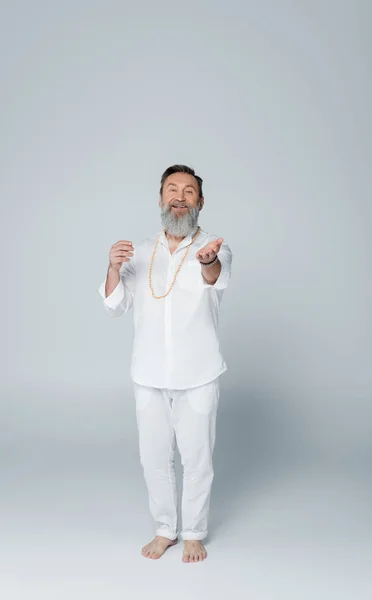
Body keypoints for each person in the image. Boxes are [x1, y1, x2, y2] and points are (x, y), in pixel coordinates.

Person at [98, 164, 232, 563]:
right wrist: (111, 268)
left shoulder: (215, 245)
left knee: (197, 459)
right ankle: (164, 529)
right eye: (171, 189)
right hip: (149, 373)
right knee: (153, 457)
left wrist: (207, 260)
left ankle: (193, 532)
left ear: (200, 201)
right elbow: (114, 305)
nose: (179, 196)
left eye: (188, 191)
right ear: (160, 199)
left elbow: (215, 276)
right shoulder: (138, 251)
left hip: (199, 373)